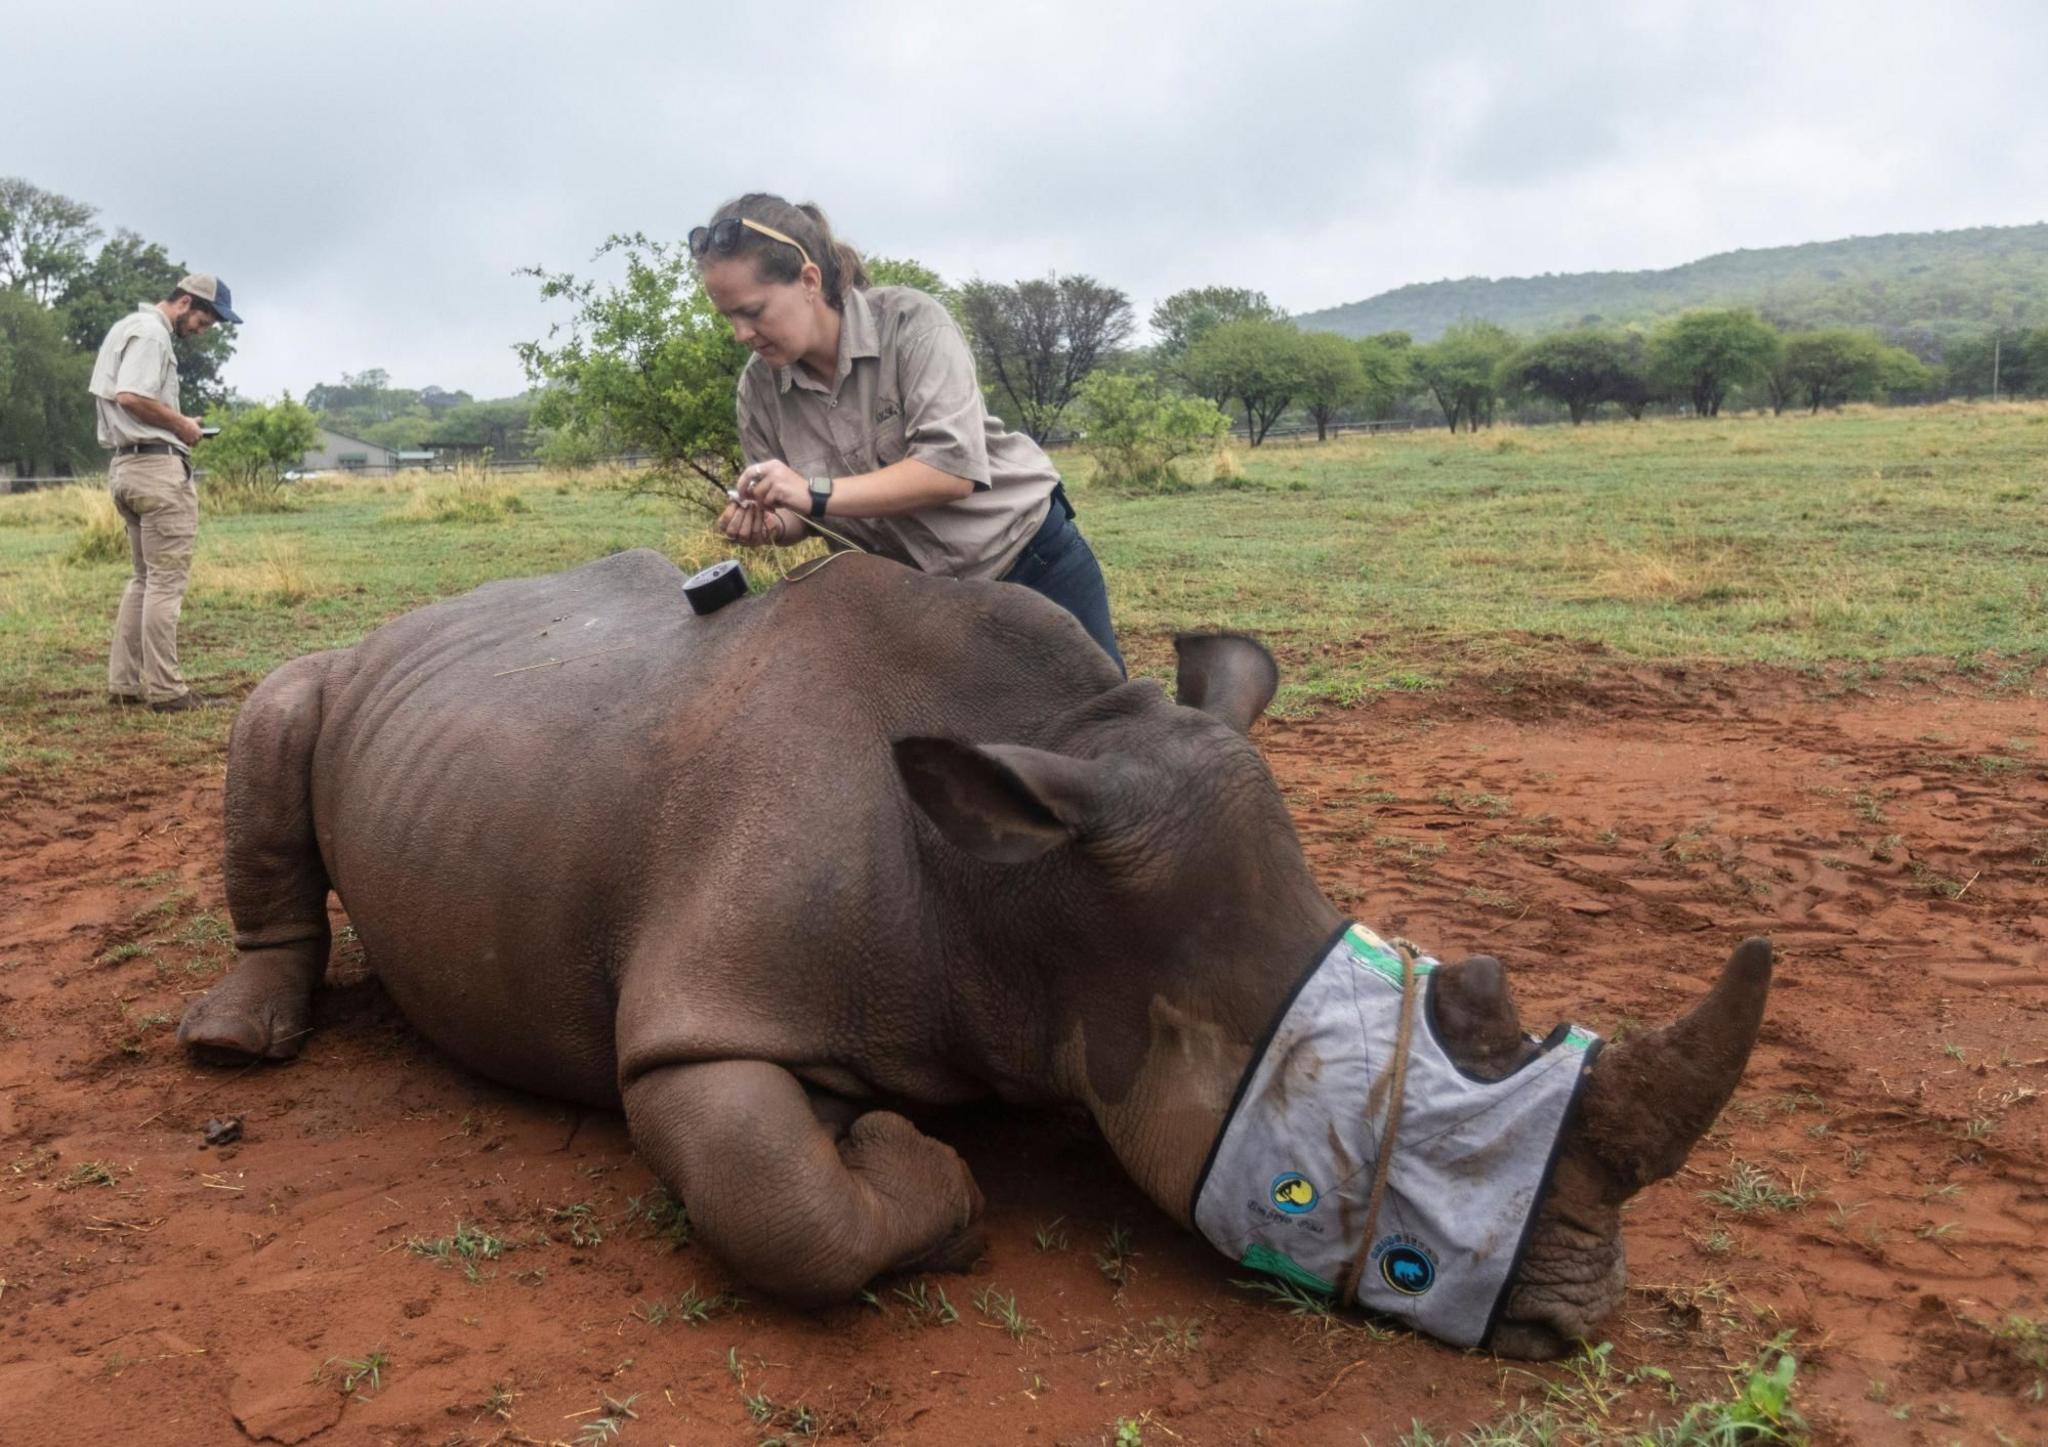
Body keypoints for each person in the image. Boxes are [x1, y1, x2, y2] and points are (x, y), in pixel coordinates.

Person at [695, 194, 1124, 673]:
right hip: (916, 604)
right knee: (971, 747)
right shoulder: (757, 390)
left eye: (753, 311)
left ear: (809, 280)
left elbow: (950, 471)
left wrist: (811, 492)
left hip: (1028, 561)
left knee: (1102, 732)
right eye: (728, 317)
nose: (741, 334)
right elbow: (802, 515)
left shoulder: (912, 324)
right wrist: (774, 523)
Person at [89, 273, 242, 712]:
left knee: (143, 578)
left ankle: (125, 685)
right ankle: (167, 690)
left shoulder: (125, 327)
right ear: (186, 302)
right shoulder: (153, 335)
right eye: (204, 321)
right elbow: (132, 395)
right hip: (156, 471)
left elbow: (129, 400)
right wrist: (181, 425)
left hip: (126, 465)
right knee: (165, 582)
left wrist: (175, 420)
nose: (202, 330)